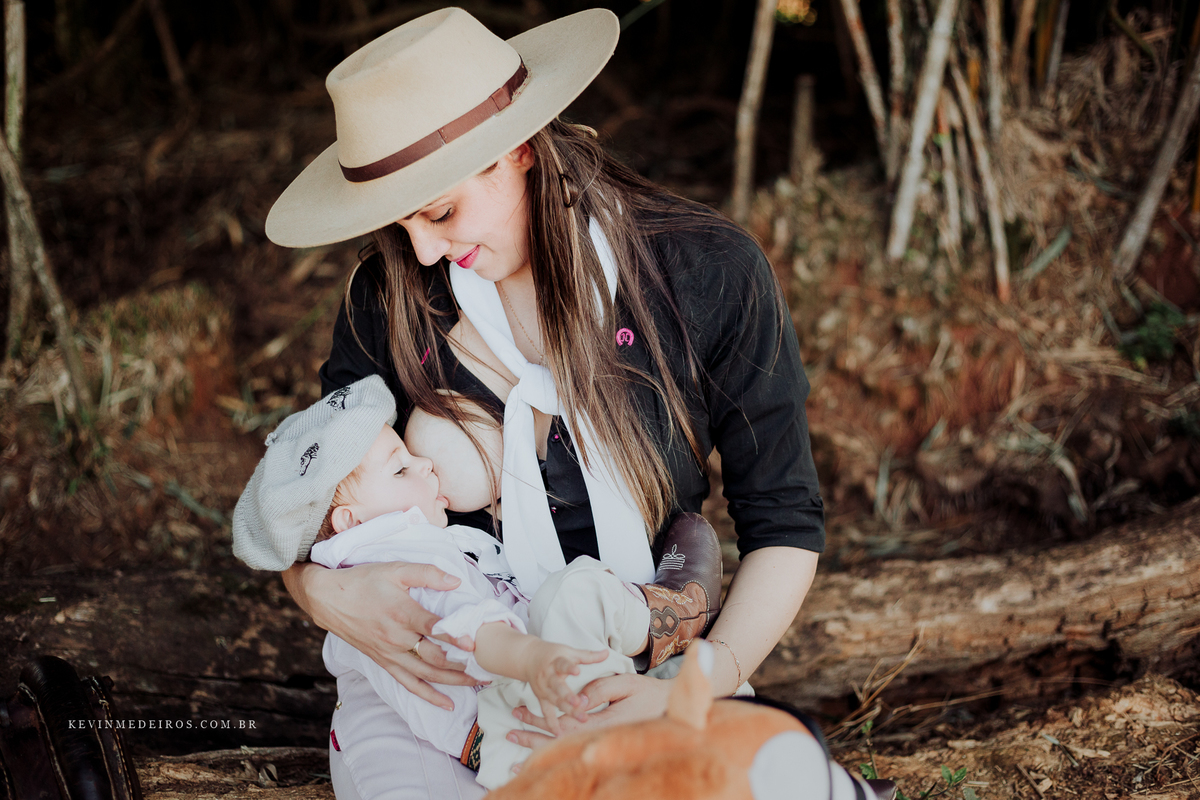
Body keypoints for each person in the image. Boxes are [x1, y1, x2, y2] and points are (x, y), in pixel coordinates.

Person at [259, 6, 824, 799]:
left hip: (638, 669)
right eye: (400, 222)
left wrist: (702, 680)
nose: (421, 250)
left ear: (518, 149)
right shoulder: (387, 300)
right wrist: (322, 594)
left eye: (441, 211)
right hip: (438, 695)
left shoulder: (707, 275)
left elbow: (786, 522)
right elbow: (311, 500)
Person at [231, 375, 724, 790]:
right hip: (516, 703)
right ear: (349, 522)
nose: (424, 464)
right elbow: (467, 629)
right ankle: (668, 613)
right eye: (402, 468)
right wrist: (534, 658)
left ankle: (656, 679)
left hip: (502, 732)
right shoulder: (396, 563)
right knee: (571, 593)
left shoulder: (385, 560)